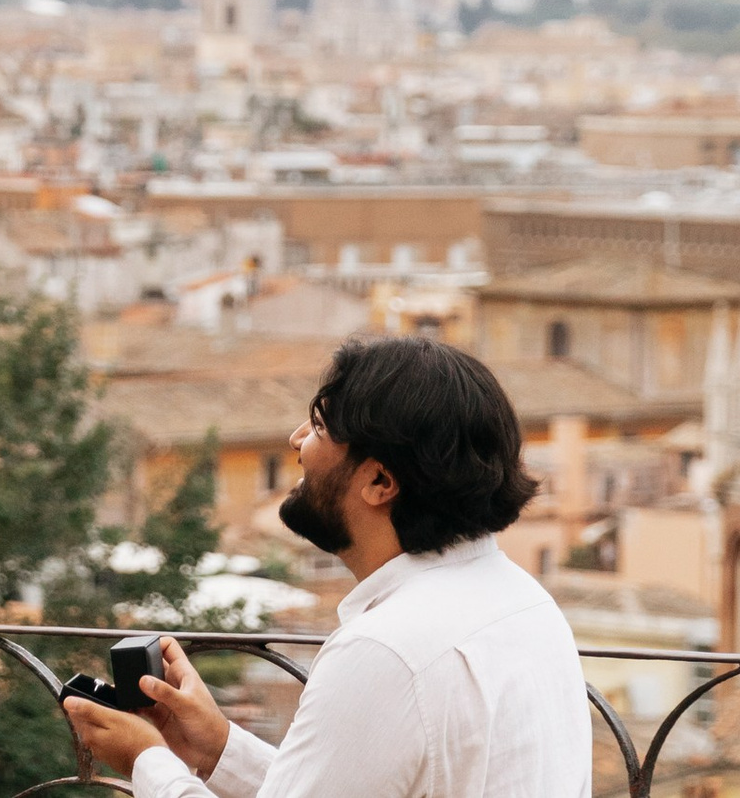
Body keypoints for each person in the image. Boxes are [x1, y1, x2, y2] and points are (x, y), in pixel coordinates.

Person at [64, 336, 588, 797]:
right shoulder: (524, 601)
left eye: (319, 425)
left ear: (379, 481)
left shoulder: (386, 650)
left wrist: (147, 760)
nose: (296, 439)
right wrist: (218, 748)